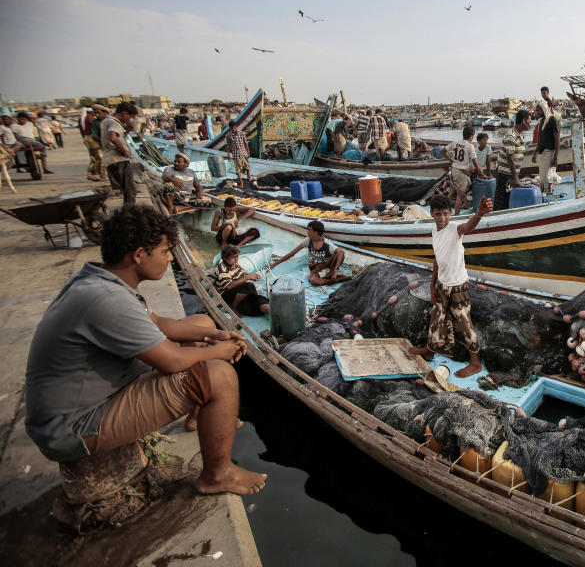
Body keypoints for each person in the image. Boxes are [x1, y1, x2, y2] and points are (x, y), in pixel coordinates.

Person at [24, 205, 266, 494]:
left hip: (84, 402)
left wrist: (216, 332)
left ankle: (197, 415)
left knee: (200, 321)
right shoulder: (108, 299)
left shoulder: (103, 281)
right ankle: (217, 475)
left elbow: (159, 323)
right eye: (165, 252)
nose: (168, 258)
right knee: (221, 377)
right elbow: (172, 361)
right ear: (139, 255)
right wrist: (220, 351)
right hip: (71, 426)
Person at [408, 194, 492, 378]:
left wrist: (479, 213)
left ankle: (475, 363)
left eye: (446, 214)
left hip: (458, 286)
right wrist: (432, 285)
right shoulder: (434, 231)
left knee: (464, 323)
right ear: (432, 214)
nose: (442, 218)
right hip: (442, 285)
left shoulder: (454, 229)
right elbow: (438, 258)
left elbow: (467, 227)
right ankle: (430, 351)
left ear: (450, 214)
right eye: (438, 214)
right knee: (437, 318)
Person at [269, 220, 350, 286]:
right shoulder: (307, 240)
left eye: (309, 230)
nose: (307, 232)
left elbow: (340, 252)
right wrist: (274, 264)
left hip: (327, 264)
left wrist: (336, 269)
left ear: (315, 232)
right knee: (313, 280)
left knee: (340, 252)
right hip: (316, 268)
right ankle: (337, 279)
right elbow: (292, 253)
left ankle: (333, 273)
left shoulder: (327, 244)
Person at [213, 245, 270, 316]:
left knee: (261, 301)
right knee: (249, 286)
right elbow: (228, 286)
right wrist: (248, 277)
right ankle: (233, 308)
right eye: (233, 257)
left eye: (237, 256)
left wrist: (252, 276)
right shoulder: (221, 268)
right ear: (225, 258)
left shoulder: (235, 264)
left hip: (240, 295)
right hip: (227, 295)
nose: (236, 259)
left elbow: (243, 274)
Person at [443, 126, 486, 215]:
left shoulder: (454, 143)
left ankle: (445, 206)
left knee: (454, 190)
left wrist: (451, 160)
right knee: (459, 196)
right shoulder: (470, 146)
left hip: (454, 170)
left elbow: (442, 151)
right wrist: (483, 175)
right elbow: (476, 163)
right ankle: (457, 215)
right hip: (462, 173)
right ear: (471, 136)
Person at [102, 102, 139, 205]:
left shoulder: (106, 121)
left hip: (111, 160)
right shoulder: (113, 122)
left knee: (127, 191)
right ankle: (129, 215)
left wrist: (128, 130)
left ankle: (128, 213)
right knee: (130, 192)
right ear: (124, 113)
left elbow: (118, 138)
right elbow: (113, 137)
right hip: (118, 160)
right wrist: (124, 151)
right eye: (130, 117)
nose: (130, 120)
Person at [494, 110, 529, 211]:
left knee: (508, 199)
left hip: (511, 174)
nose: (530, 124)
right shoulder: (511, 136)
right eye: (529, 121)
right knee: (501, 201)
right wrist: (515, 178)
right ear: (523, 121)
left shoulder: (520, 134)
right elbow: (510, 158)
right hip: (505, 174)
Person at [531, 99, 560, 194]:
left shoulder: (552, 120)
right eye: (536, 110)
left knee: (548, 178)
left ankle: (548, 195)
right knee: (543, 177)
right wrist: (535, 154)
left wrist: (555, 157)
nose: (536, 112)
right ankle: (545, 194)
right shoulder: (542, 121)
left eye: (538, 110)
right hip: (542, 153)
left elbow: (557, 140)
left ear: (544, 109)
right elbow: (540, 140)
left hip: (549, 153)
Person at [224, 121, 251, 189]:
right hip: (235, 154)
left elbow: (245, 143)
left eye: (234, 128)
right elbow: (228, 146)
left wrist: (248, 151)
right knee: (238, 169)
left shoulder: (241, 133)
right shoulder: (228, 135)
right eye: (231, 128)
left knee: (247, 166)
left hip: (243, 152)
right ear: (230, 128)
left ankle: (248, 174)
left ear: (236, 127)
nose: (233, 130)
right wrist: (228, 155)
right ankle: (241, 182)